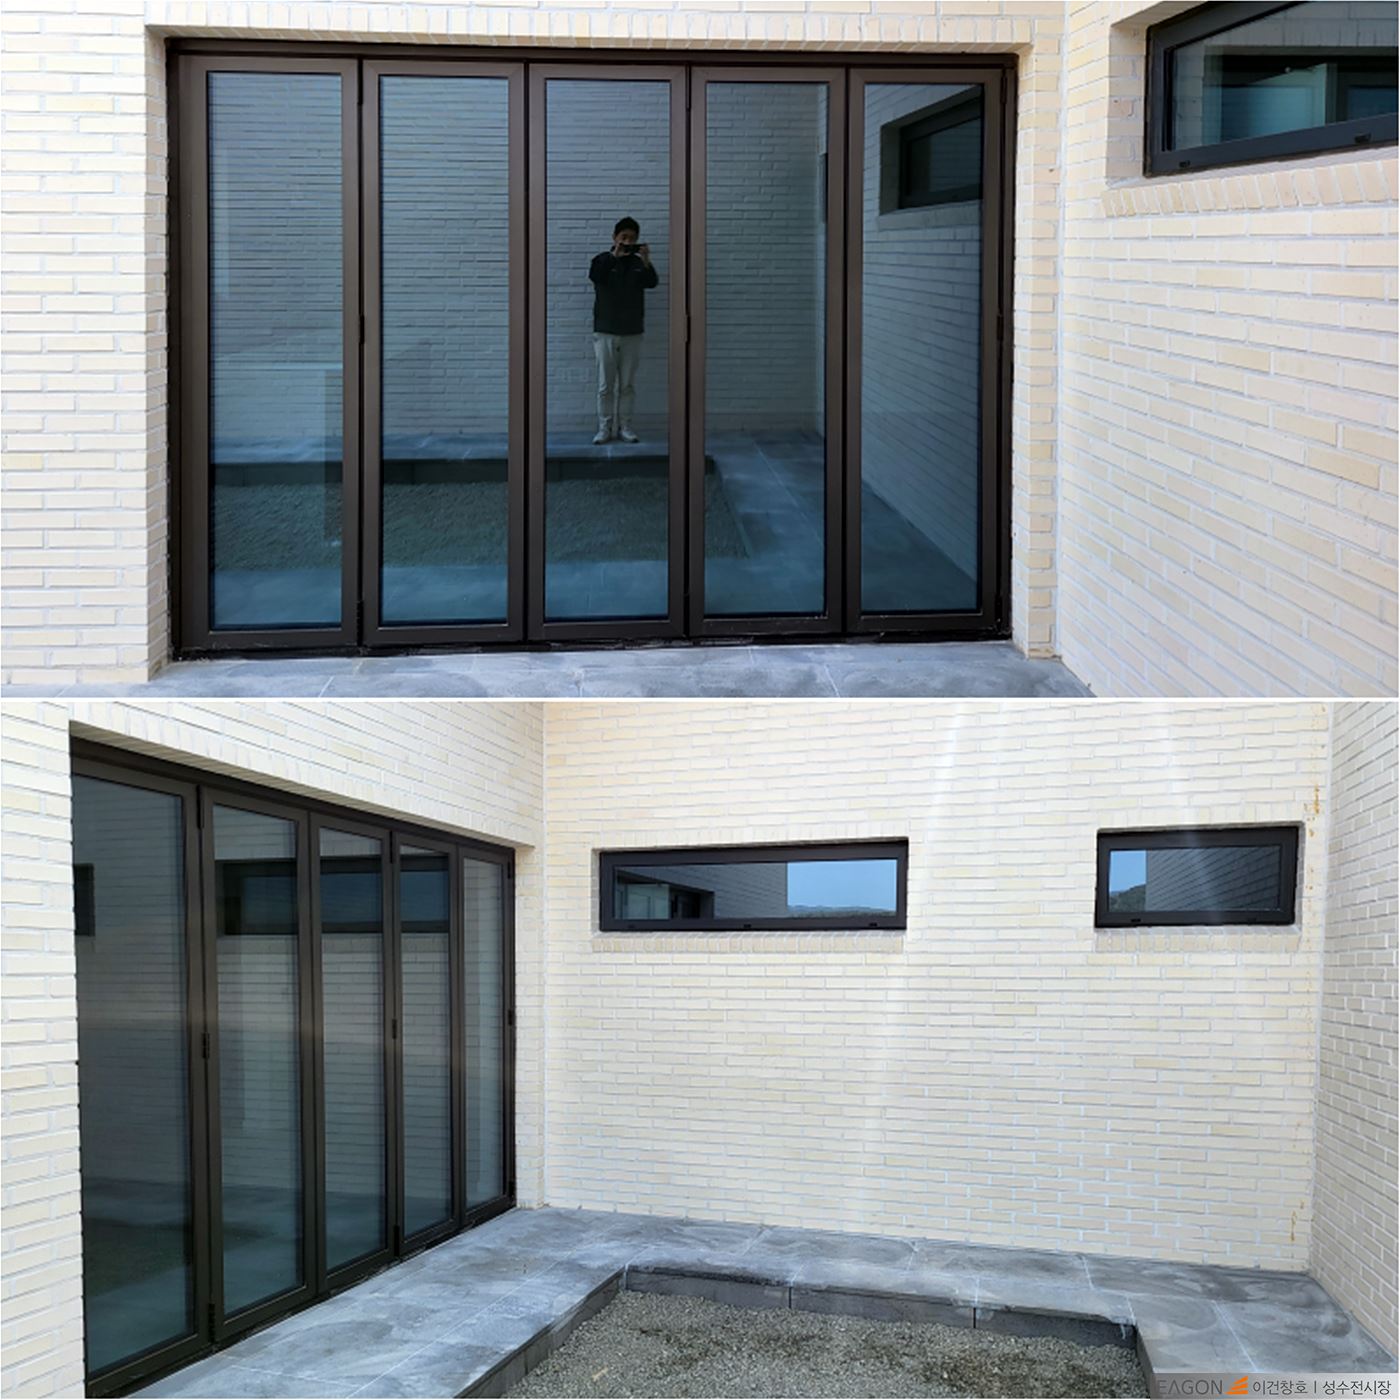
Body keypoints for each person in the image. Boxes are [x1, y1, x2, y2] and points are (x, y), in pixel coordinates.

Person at [589, 216, 658, 445]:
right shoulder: (602, 260)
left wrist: (645, 259)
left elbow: (652, 282)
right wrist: (614, 257)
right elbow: (596, 277)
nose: (627, 242)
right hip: (605, 331)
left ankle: (625, 427)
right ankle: (604, 428)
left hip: (632, 332)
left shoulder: (638, 263)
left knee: (627, 385)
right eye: (623, 237)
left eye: (632, 238)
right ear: (614, 237)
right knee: (605, 386)